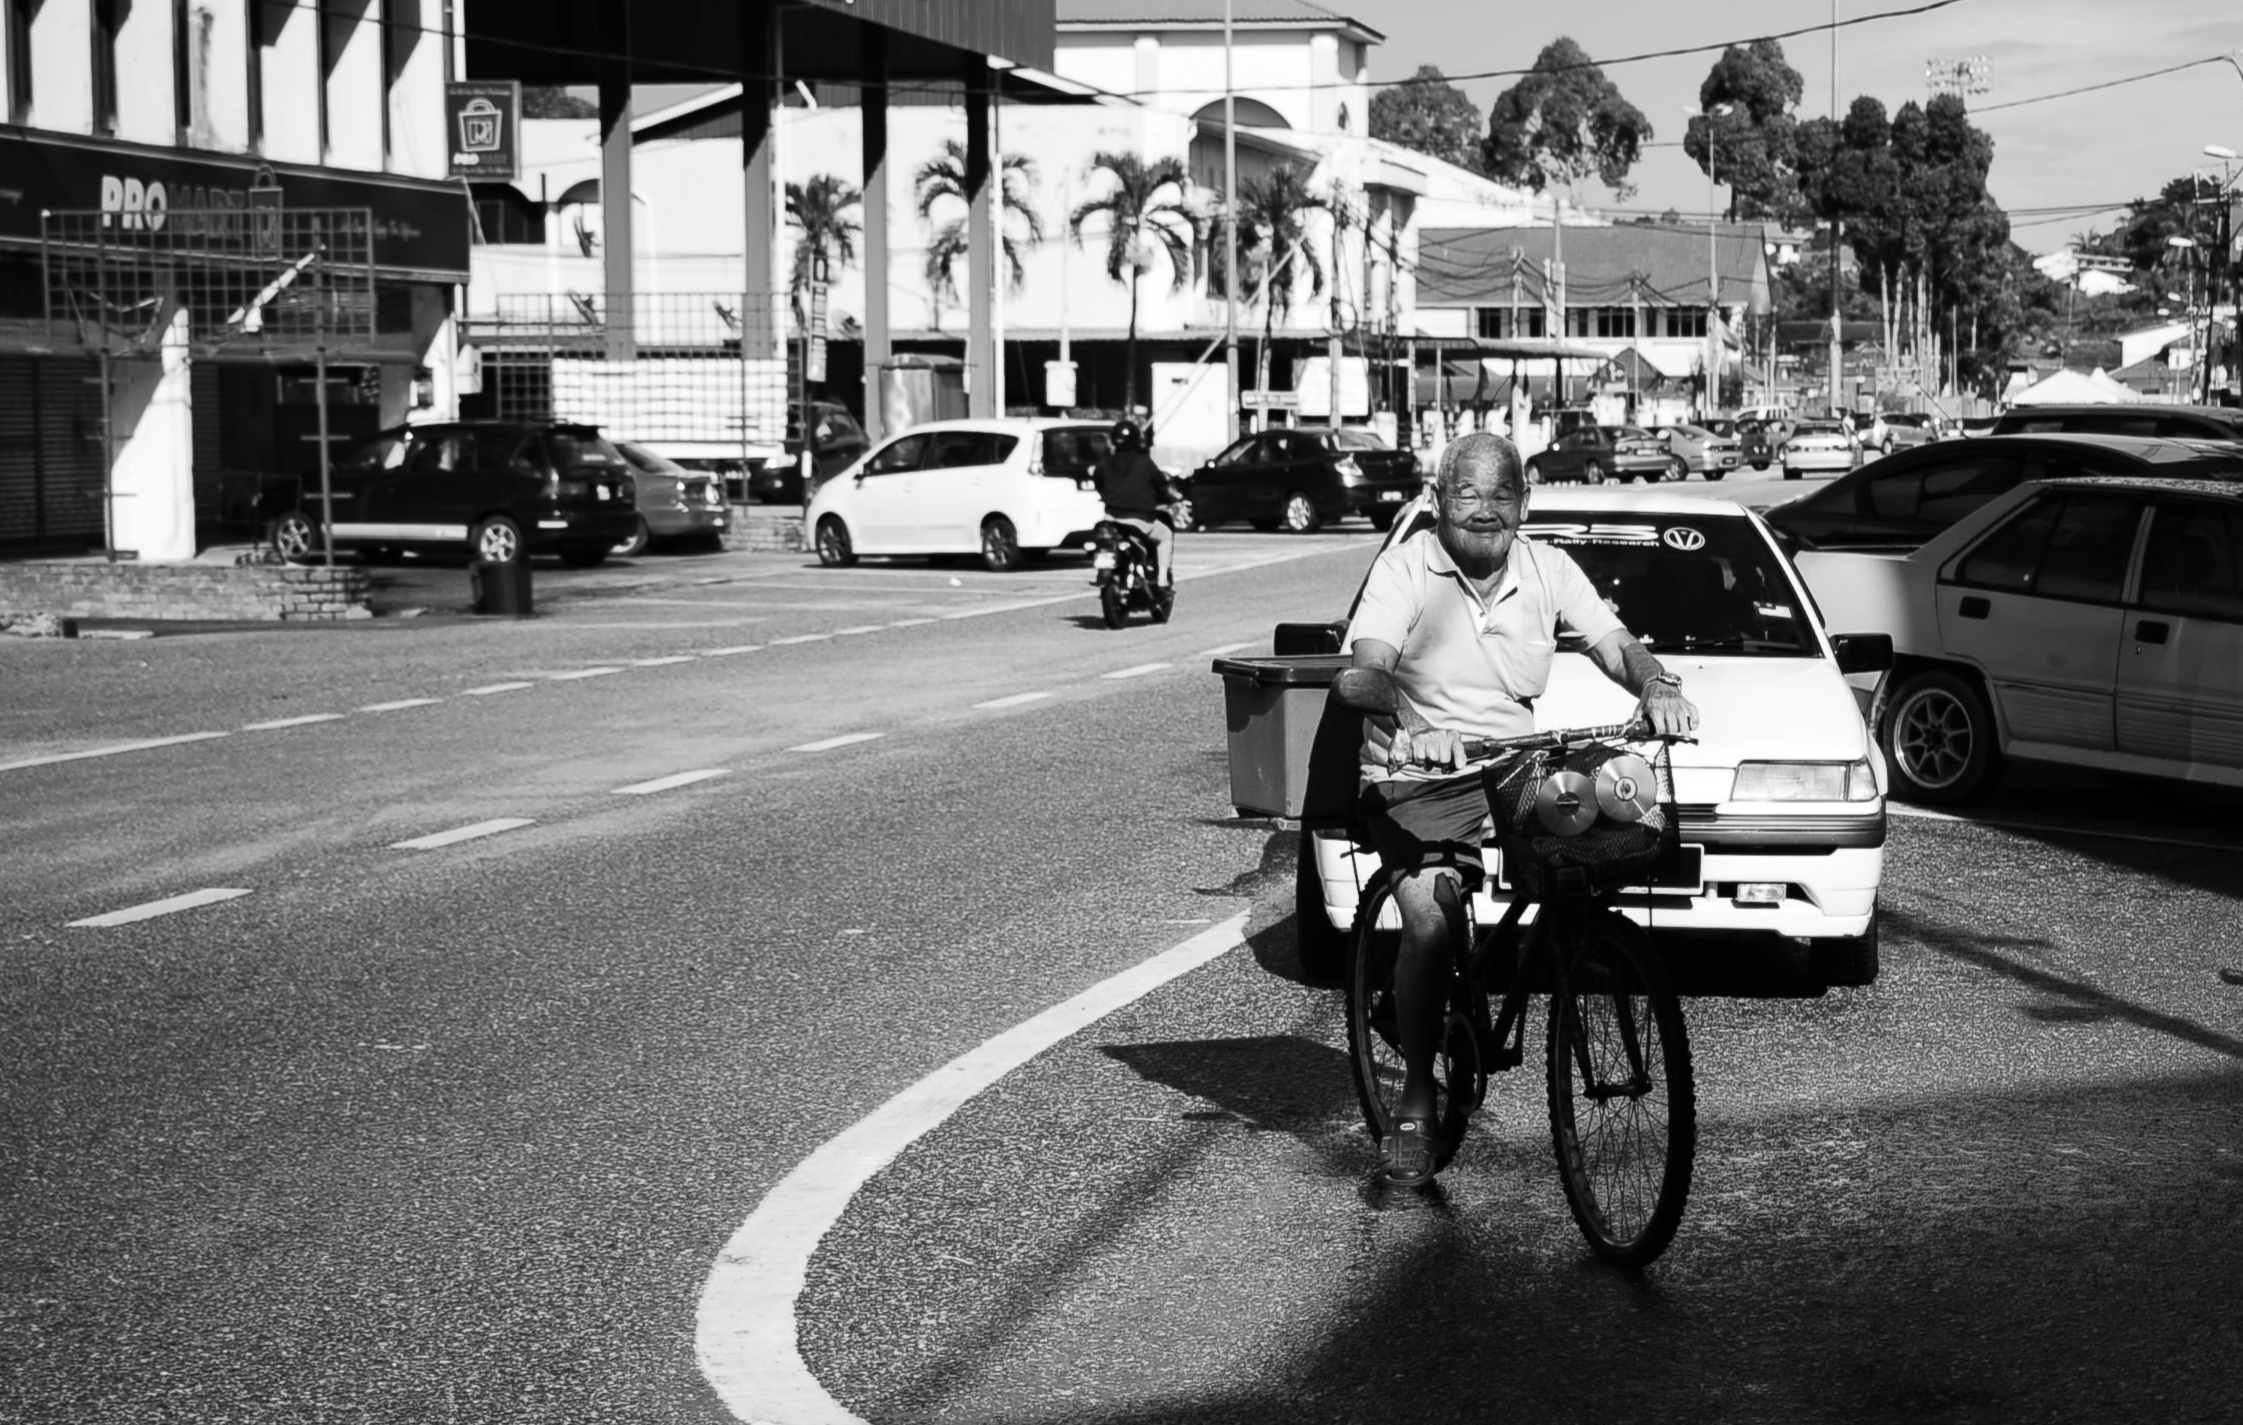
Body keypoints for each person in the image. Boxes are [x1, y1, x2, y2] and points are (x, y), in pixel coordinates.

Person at [1332, 432, 1700, 1189]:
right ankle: (1413, 1097)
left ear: (1523, 504)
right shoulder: (1406, 568)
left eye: (1502, 495)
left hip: (1512, 764)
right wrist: (1410, 725)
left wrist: (1655, 684)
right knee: (1432, 913)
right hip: (1415, 770)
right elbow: (1364, 671)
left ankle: (1536, 965)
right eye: (1466, 494)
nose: (1484, 510)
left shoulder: (1546, 566)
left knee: (1593, 845)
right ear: (1438, 499)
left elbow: (1611, 641)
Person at [1092, 418, 1174, 588]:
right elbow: (1161, 486)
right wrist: (1168, 497)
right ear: (1137, 439)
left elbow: (1098, 484)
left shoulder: (1104, 464)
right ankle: (1162, 579)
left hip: (1111, 519)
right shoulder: (1145, 463)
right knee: (1166, 535)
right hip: (1140, 520)